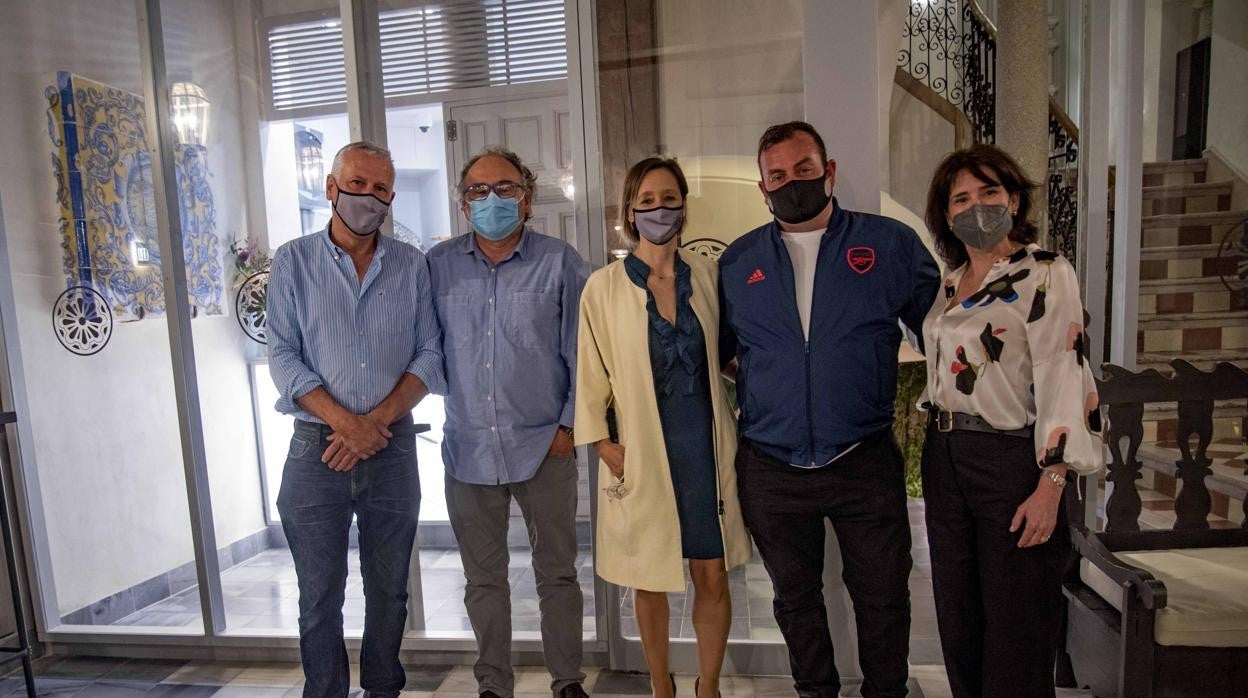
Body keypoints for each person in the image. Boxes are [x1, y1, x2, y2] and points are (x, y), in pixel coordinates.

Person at [718, 121, 940, 698]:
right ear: (762, 188)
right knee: (795, 601)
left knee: (884, 594)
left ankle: (886, 692)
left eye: (804, 170)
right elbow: (721, 353)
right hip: (772, 465)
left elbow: (947, 332)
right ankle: (815, 692)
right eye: (778, 176)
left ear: (829, 171)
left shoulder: (889, 244)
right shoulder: (738, 262)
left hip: (863, 458)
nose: (792, 183)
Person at [918, 144, 1104, 698]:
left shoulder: (1046, 273)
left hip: (1010, 460)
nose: (976, 206)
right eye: (961, 199)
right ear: (947, 215)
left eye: (989, 192)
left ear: (1014, 199)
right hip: (945, 457)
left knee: (1017, 623)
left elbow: (1062, 374)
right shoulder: (952, 282)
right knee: (960, 617)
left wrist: (1053, 481)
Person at [267, 141, 447, 698]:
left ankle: (383, 689)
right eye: (357, 183)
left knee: (390, 589)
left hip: (390, 451)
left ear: (391, 197)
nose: (368, 197)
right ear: (330, 187)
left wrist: (374, 425)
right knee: (318, 593)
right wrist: (347, 423)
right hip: (314, 452)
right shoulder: (293, 262)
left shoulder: (411, 265)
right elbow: (283, 356)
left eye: (380, 189)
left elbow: (430, 355)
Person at [576, 157, 751, 698]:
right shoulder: (602, 288)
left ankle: (709, 686)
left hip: (703, 445)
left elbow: (729, 353)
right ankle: (660, 686)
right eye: (647, 200)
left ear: (683, 205)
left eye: (669, 198)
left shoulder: (707, 275)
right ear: (630, 210)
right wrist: (604, 444)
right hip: (641, 451)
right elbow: (590, 372)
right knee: (647, 576)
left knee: (711, 573)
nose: (659, 209)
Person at [428, 147, 590, 698]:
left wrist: (568, 428)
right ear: (462, 201)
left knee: (558, 576)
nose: (491, 199)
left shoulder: (560, 262)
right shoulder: (438, 266)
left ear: (526, 196)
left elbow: (583, 354)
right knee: (483, 580)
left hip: (545, 445)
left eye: (505, 188)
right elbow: (423, 349)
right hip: (468, 449)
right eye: (478, 190)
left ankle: (567, 680)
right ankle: (493, 684)